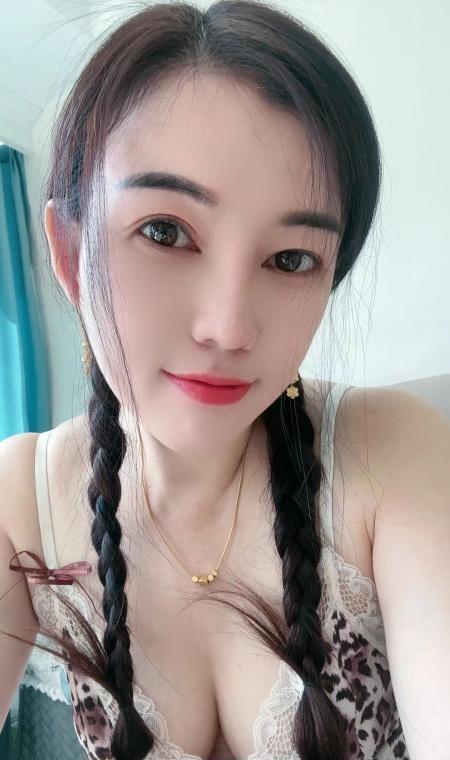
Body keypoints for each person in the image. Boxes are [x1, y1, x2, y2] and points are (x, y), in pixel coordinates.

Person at [1, 2, 448, 759]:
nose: (230, 328)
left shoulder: (390, 456)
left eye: (291, 259)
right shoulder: (21, 499)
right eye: (165, 232)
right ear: (71, 255)